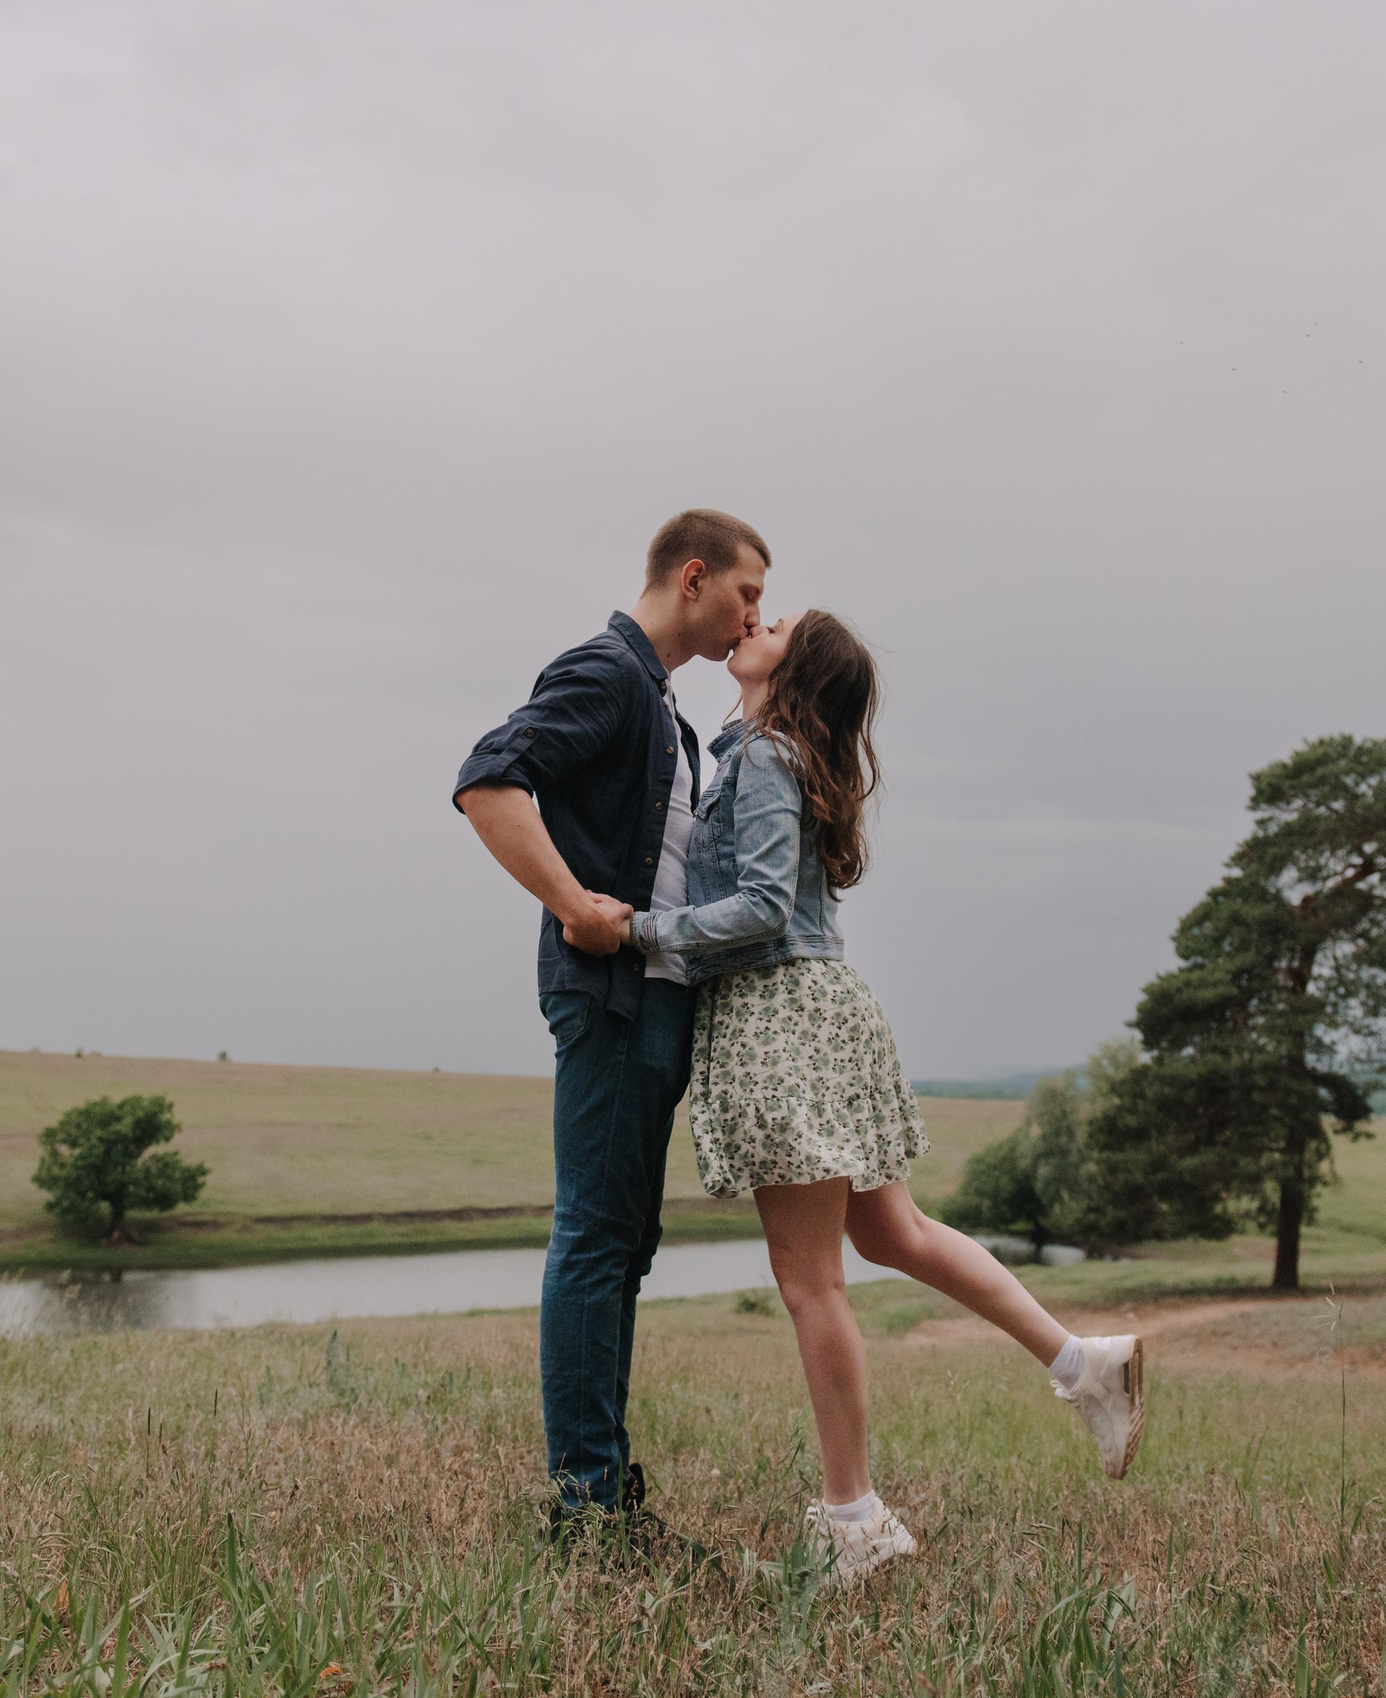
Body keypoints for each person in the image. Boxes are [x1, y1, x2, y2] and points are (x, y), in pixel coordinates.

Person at [591, 608, 1144, 1589]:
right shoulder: (773, 751)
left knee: (811, 1280)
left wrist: (638, 930)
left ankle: (855, 1521)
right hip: (822, 1008)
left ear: (795, 667)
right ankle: (1082, 1364)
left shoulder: (766, 755)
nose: (753, 620)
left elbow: (762, 905)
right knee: (895, 1233)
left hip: (782, 1018)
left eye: (776, 622)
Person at [452, 508, 770, 1540]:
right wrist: (572, 903)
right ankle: (585, 1509)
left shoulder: (663, 707)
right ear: (693, 576)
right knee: (595, 1235)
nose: (753, 616)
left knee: (625, 1242)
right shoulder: (607, 673)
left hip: (655, 998)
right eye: (748, 593)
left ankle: (604, 1490)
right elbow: (488, 779)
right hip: (612, 995)